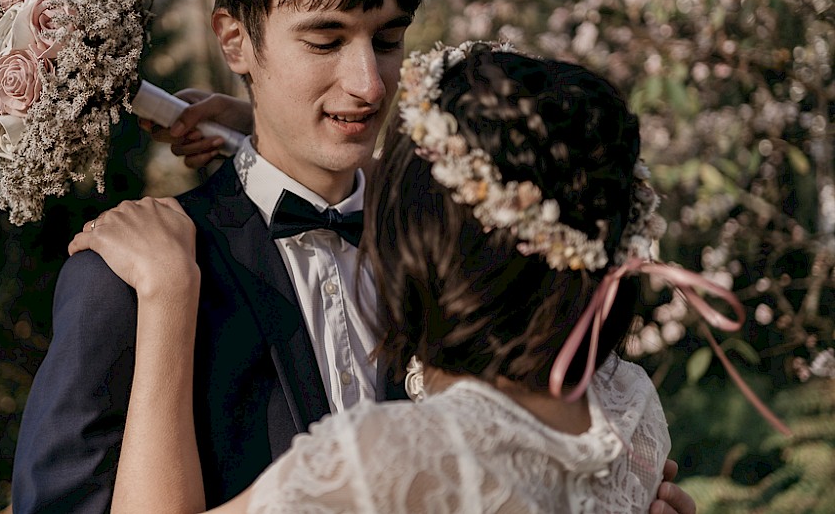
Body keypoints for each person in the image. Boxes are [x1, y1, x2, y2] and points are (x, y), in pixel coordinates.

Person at [12, 0, 694, 513]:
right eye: (326, 39)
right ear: (234, 39)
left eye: (389, 39)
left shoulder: (458, 249)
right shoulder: (129, 277)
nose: (369, 83)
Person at [74, 41, 704, 512]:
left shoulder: (383, 460)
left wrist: (167, 294)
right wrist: (266, 128)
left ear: (422, 238)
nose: (369, 88)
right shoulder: (628, 407)